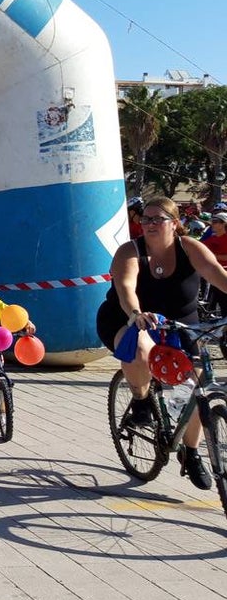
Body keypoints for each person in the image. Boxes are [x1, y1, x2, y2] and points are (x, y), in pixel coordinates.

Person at [95, 197, 227, 490]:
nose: (150, 224)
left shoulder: (190, 248)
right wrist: (136, 313)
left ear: (175, 223)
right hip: (128, 318)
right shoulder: (130, 251)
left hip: (181, 325)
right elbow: (126, 287)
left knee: (197, 384)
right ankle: (141, 401)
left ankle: (191, 453)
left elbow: (219, 276)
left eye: (158, 219)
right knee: (140, 348)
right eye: (146, 219)